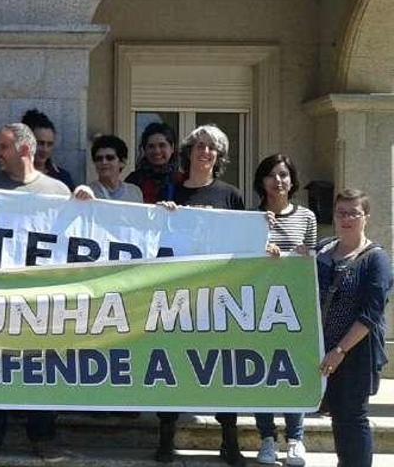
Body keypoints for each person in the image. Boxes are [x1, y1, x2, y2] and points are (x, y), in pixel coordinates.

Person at [0, 122, 69, 463]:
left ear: (24, 150)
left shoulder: (58, 192)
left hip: (40, 298)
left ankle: (43, 438)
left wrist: (87, 202)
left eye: (3, 147)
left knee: (40, 369)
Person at [155, 124, 245, 466]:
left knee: (222, 367)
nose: (205, 152)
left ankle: (230, 440)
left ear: (219, 157)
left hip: (218, 295)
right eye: (200, 146)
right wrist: (162, 216)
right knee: (172, 364)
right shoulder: (171, 191)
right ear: (189, 152)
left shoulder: (230, 195)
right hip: (178, 294)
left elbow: (242, 244)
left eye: (212, 148)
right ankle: (166, 437)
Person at [316, 188, 391, 467]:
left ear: (366, 217)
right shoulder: (322, 251)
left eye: (354, 213)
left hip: (355, 352)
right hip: (322, 349)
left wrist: (340, 350)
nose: (346, 219)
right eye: (341, 213)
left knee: (352, 417)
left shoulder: (376, 259)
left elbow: (371, 314)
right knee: (337, 415)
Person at [251, 154, 316, 466]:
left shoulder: (307, 217)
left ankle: (295, 438)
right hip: (259, 306)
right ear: (261, 181)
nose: (278, 181)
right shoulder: (252, 217)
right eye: (271, 175)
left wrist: (301, 255)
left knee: (292, 371)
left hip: (294, 307)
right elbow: (240, 261)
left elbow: (315, 263)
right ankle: (266, 438)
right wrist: (261, 252)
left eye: (284, 175)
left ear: (292, 181)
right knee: (263, 373)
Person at [125, 122, 182, 203]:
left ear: (172, 148)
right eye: (151, 146)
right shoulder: (134, 180)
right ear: (145, 150)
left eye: (162, 145)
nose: (157, 151)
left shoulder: (181, 181)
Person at [21, 108, 75, 190]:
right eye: (40, 143)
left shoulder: (63, 177)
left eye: (49, 144)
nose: (45, 149)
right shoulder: (11, 175)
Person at [83, 134, 142, 202]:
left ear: (122, 162)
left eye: (110, 158)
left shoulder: (134, 192)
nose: (104, 162)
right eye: (99, 159)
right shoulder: (87, 193)